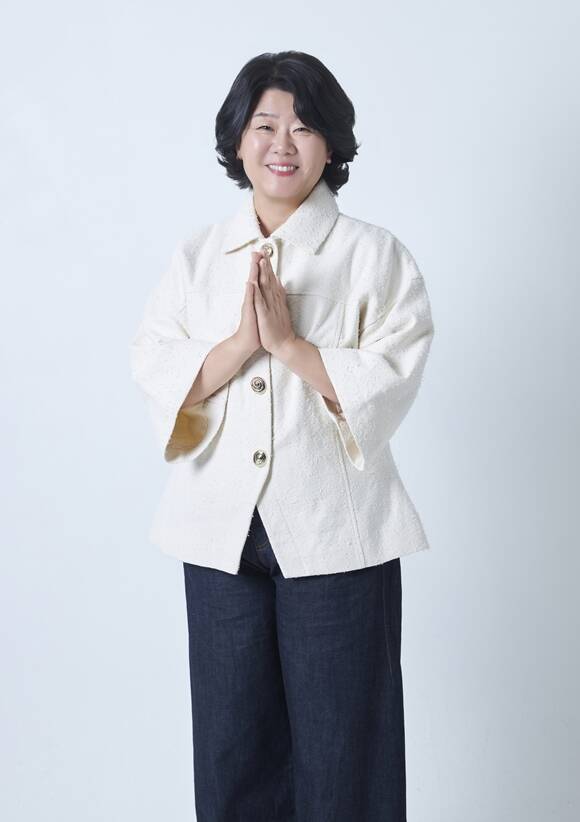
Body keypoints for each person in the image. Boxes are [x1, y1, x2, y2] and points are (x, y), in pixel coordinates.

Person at [129, 50, 435, 822]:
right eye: (264, 125)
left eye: (304, 127)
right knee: (233, 753)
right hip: (219, 534)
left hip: (340, 533)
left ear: (332, 145)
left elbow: (392, 377)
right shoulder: (198, 257)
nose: (282, 144)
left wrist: (293, 347)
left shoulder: (374, 255)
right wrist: (240, 344)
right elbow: (157, 370)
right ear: (237, 140)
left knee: (345, 753)